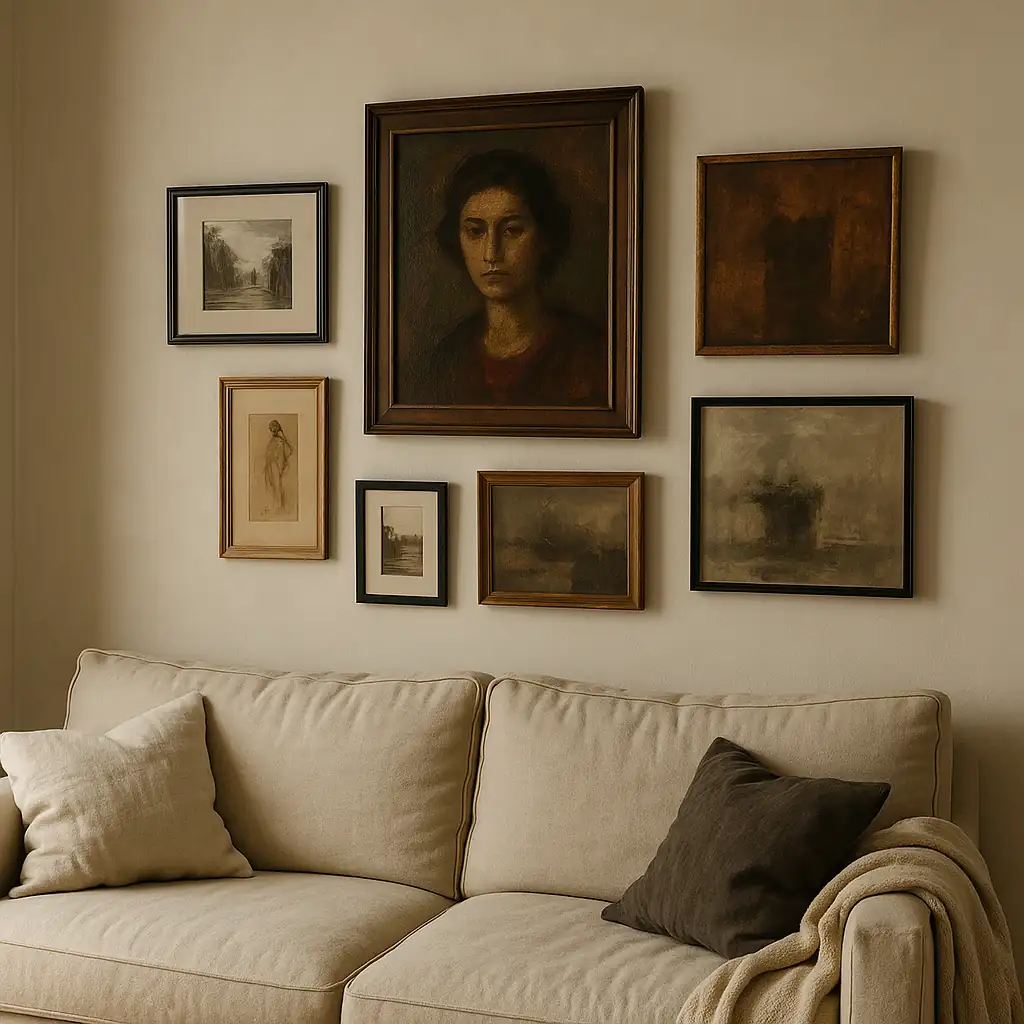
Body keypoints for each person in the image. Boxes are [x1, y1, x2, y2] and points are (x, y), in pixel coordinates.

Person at [423, 149, 607, 407]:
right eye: (475, 231)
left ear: (544, 238)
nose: (491, 253)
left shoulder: (589, 356)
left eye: (512, 230)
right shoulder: (449, 358)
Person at [263, 419, 293, 513]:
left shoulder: (280, 441)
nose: (272, 431)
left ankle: (278, 506)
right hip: (269, 465)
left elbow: (288, 451)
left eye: (273, 429)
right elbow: (268, 454)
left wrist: (280, 465)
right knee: (270, 484)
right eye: (271, 429)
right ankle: (272, 505)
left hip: (275, 465)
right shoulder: (273, 440)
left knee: (276, 485)